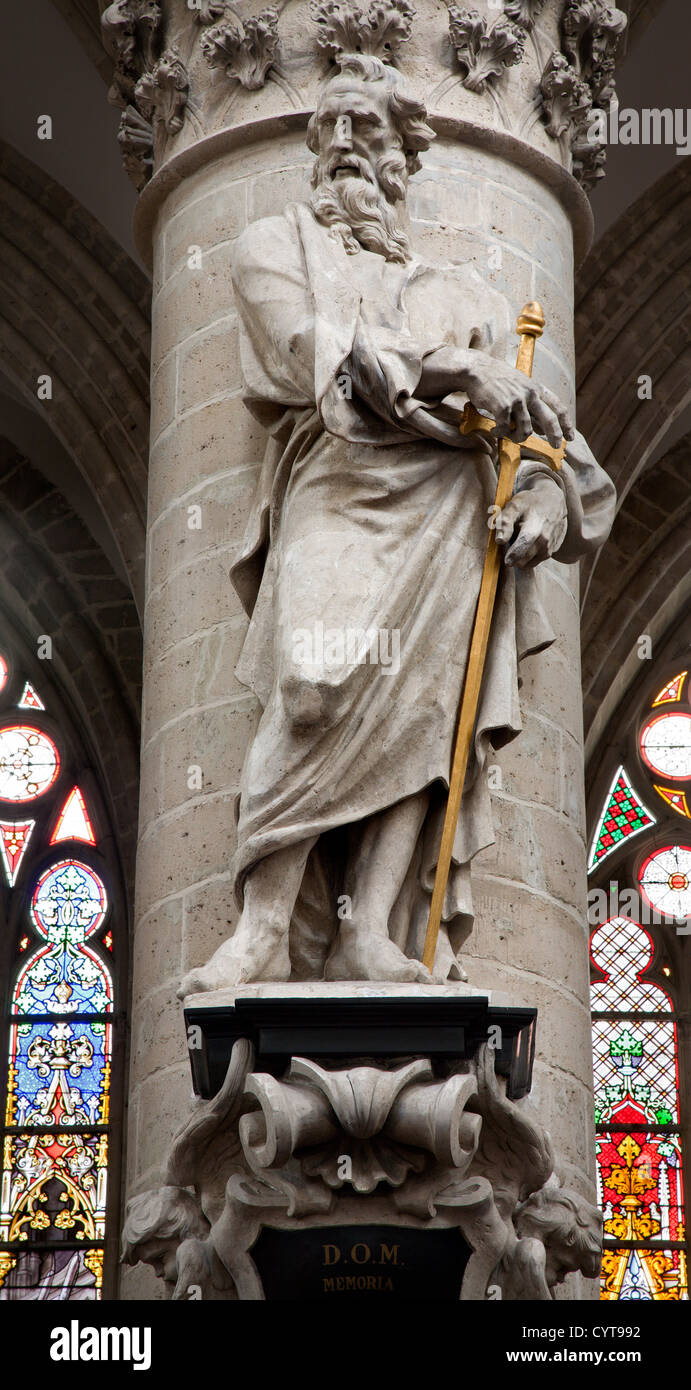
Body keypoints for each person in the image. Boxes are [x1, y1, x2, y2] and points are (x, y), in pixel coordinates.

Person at [180, 53, 615, 994]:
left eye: (364, 130)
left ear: (400, 160)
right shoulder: (276, 246)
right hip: (336, 489)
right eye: (327, 129)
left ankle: (367, 932)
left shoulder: (470, 297)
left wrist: (543, 502)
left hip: (450, 518)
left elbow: (542, 440)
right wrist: (456, 373)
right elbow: (305, 354)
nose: (342, 145)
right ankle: (261, 929)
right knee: (310, 683)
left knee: (426, 715)